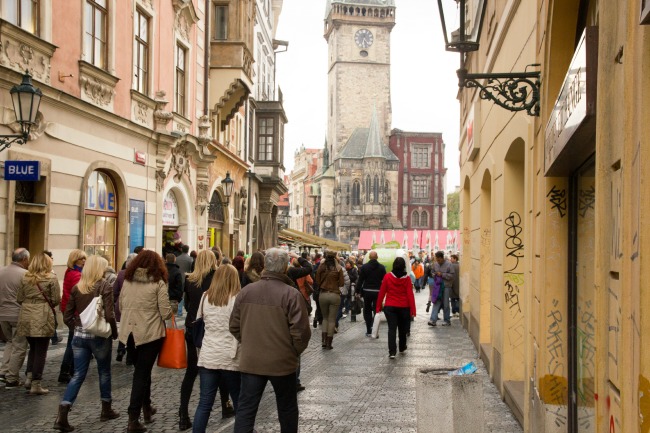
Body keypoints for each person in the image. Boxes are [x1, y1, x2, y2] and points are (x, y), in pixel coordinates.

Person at [230, 248, 311, 433]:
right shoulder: (291, 294)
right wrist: (291, 351)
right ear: (284, 268)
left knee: (246, 410)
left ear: (266, 265)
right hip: (282, 362)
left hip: (252, 361)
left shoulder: (246, 292)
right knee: (287, 409)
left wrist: (250, 343)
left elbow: (234, 326)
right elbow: (301, 332)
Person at [54, 256, 120, 432]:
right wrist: (113, 333)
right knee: (104, 372)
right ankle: (106, 409)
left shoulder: (78, 287)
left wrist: (76, 328)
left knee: (78, 374)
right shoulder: (104, 285)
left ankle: (63, 412)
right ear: (99, 269)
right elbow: (110, 314)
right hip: (98, 336)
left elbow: (67, 315)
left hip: (79, 336)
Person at [118, 250, 173, 432]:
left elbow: (120, 305)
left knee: (142, 371)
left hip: (130, 334)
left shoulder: (127, 281)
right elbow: (165, 312)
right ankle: (133, 417)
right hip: (150, 334)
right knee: (141, 374)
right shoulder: (158, 283)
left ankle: (146, 407)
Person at [192, 265, 242, 433]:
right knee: (238, 401)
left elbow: (200, 321)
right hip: (231, 355)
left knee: (205, 403)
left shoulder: (206, 297)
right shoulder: (237, 299)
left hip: (209, 354)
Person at [178, 250, 221, 431]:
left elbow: (187, 305)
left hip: (193, 329)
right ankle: (226, 403)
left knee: (191, 372)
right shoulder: (216, 280)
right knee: (220, 367)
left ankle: (183, 413)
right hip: (211, 328)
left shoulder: (189, 280)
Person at [16, 252, 61, 394]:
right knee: (41, 350)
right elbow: (55, 300)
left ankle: (29, 377)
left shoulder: (25, 277)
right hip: (42, 314)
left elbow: (19, 297)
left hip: (26, 313)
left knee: (33, 348)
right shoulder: (51, 278)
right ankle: (36, 383)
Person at [0, 248, 30, 388]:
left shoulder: (1, 271)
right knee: (19, 346)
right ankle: (12, 378)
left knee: (9, 342)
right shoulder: (25, 274)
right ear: (24, 259)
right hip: (17, 314)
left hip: (2, 314)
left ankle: (3, 371)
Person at [376, 257, 416, 359]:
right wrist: (413, 310)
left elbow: (382, 292)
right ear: (403, 266)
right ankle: (402, 347)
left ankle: (392, 352)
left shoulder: (387, 276)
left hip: (390, 307)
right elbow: (410, 295)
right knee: (403, 329)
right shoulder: (407, 278)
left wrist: (378, 306)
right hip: (404, 307)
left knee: (392, 329)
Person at [58, 249, 87, 384]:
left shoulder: (70, 272)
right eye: (81, 259)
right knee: (72, 342)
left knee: (73, 340)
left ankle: (69, 369)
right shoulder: (76, 274)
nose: (84, 261)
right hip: (74, 312)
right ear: (75, 260)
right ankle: (65, 370)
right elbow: (78, 295)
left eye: (85, 259)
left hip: (69, 309)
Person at [315, 250, 344, 350]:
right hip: (334, 295)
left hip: (323, 294)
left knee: (325, 319)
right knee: (332, 320)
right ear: (335, 257)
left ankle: (323, 341)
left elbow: (317, 281)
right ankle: (329, 343)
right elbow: (341, 284)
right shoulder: (339, 268)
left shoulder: (321, 267)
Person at [114, 253, 137, 363]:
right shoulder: (138, 275)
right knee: (132, 331)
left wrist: (115, 302)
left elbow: (115, 291)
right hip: (132, 306)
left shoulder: (121, 273)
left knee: (124, 328)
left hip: (121, 305)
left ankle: (121, 349)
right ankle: (130, 356)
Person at [357, 251, 386, 337]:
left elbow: (360, 280)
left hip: (367, 291)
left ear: (369, 257)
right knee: (377, 310)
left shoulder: (364, 267)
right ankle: (375, 330)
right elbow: (384, 280)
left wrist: (357, 291)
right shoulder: (381, 267)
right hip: (377, 291)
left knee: (367, 310)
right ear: (377, 257)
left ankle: (369, 330)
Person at [427, 251, 455, 327]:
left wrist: (442, 274)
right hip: (437, 286)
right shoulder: (435, 264)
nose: (438, 261)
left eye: (439, 260)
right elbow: (432, 272)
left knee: (446, 303)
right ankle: (433, 320)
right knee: (436, 302)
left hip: (446, 286)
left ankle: (447, 320)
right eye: (437, 260)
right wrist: (434, 274)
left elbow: (452, 276)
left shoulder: (449, 264)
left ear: (442, 258)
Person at [176, 245, 193, 317]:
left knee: (180, 294)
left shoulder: (177, 259)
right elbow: (191, 269)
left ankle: (179, 310)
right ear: (188, 250)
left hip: (178, 278)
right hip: (187, 278)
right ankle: (185, 309)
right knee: (186, 295)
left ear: (181, 250)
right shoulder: (190, 259)